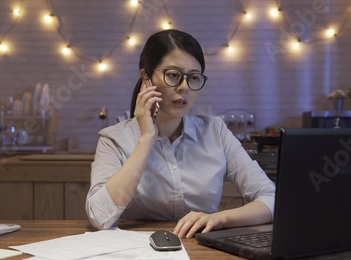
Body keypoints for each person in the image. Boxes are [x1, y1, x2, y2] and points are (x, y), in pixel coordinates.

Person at [86, 29, 275, 238]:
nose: (184, 87)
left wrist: (218, 219)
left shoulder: (216, 131)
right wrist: (146, 139)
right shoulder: (114, 139)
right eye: (174, 75)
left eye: (194, 77)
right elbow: (99, 217)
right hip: (136, 256)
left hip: (203, 254)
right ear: (145, 77)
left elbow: (271, 198)